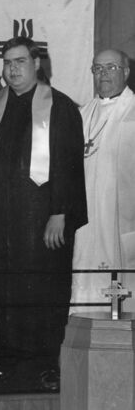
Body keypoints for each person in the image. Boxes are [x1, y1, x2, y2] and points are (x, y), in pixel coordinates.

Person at [0, 36, 86, 385]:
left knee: (41, 289)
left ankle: (43, 363)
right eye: (8, 63)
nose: (13, 69)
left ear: (37, 64)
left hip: (41, 222)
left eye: (20, 61)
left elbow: (69, 165)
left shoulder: (60, 106)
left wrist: (60, 212)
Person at [71, 49, 135, 312]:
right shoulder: (81, 114)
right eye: (97, 68)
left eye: (111, 67)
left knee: (120, 292)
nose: (103, 74)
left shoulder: (132, 112)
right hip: (84, 217)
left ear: (126, 72)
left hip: (120, 216)